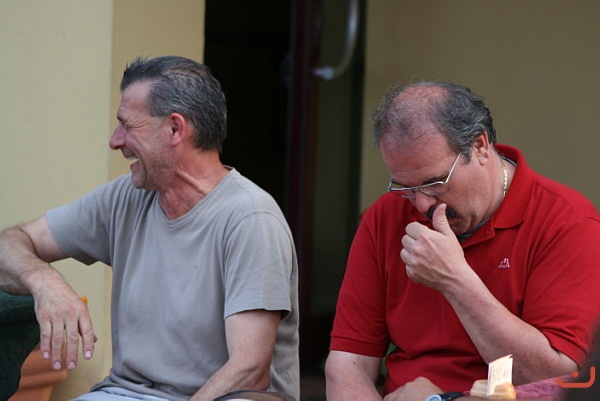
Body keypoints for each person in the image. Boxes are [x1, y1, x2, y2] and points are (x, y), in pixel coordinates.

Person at [0, 56, 299, 401]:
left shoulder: (250, 218)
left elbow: (249, 369)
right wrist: (44, 281)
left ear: (175, 129)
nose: (115, 141)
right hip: (127, 393)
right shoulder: (124, 198)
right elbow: (10, 243)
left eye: (127, 125)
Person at [324, 81, 600, 401]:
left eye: (435, 183)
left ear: (479, 146)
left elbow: (554, 380)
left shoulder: (567, 222)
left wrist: (455, 280)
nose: (423, 204)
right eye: (406, 188)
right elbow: (349, 364)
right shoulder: (385, 216)